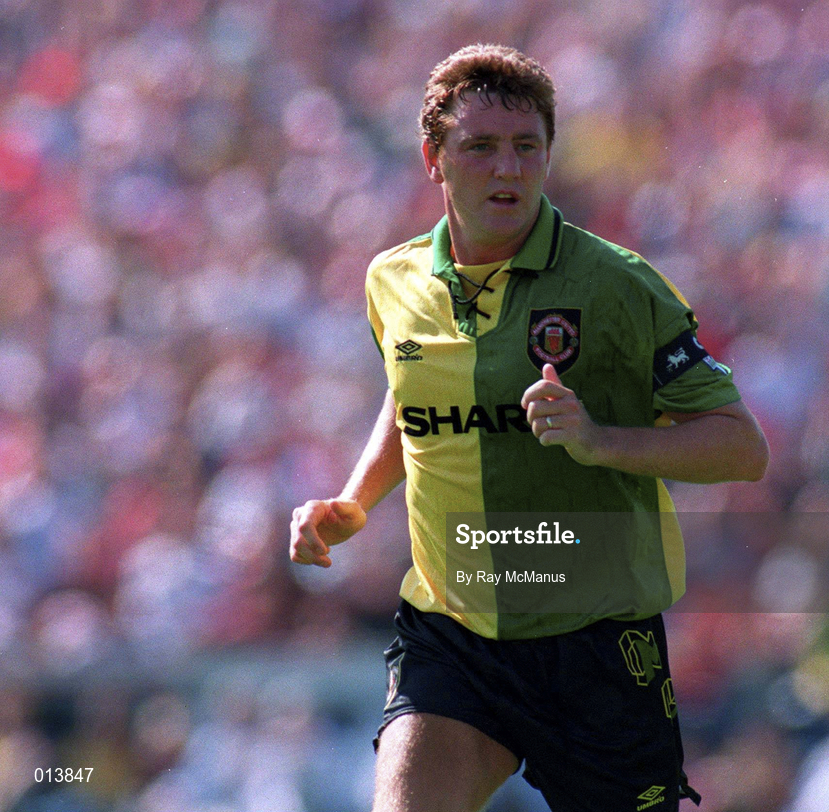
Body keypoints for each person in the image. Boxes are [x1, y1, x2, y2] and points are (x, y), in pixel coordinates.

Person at [290, 43, 769, 812]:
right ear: (433, 159)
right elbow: (409, 395)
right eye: (479, 148)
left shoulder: (616, 285)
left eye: (525, 148)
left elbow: (741, 447)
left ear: (548, 156)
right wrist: (354, 501)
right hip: (454, 634)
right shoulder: (392, 280)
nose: (506, 170)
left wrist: (599, 440)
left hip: (597, 647)